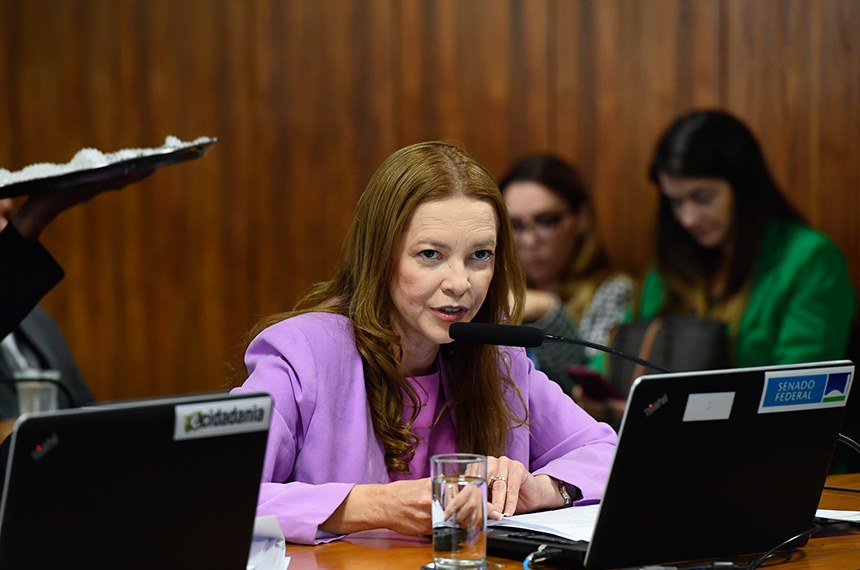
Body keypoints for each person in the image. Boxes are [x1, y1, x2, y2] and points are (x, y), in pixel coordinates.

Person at [231, 141, 618, 545]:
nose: (459, 283)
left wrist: (548, 488)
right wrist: (375, 506)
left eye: (480, 256)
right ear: (381, 257)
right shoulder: (302, 354)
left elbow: (609, 453)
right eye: (431, 254)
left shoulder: (497, 357)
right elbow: (219, 493)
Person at [0, 170, 152, 417]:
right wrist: (36, 214)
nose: (8, 227)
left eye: (9, 216)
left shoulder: (38, 321)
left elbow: (85, 413)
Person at [498, 154, 634, 394]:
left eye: (546, 221)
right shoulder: (490, 286)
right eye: (515, 226)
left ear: (581, 219)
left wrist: (547, 309)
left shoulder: (613, 291)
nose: (529, 240)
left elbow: (588, 395)